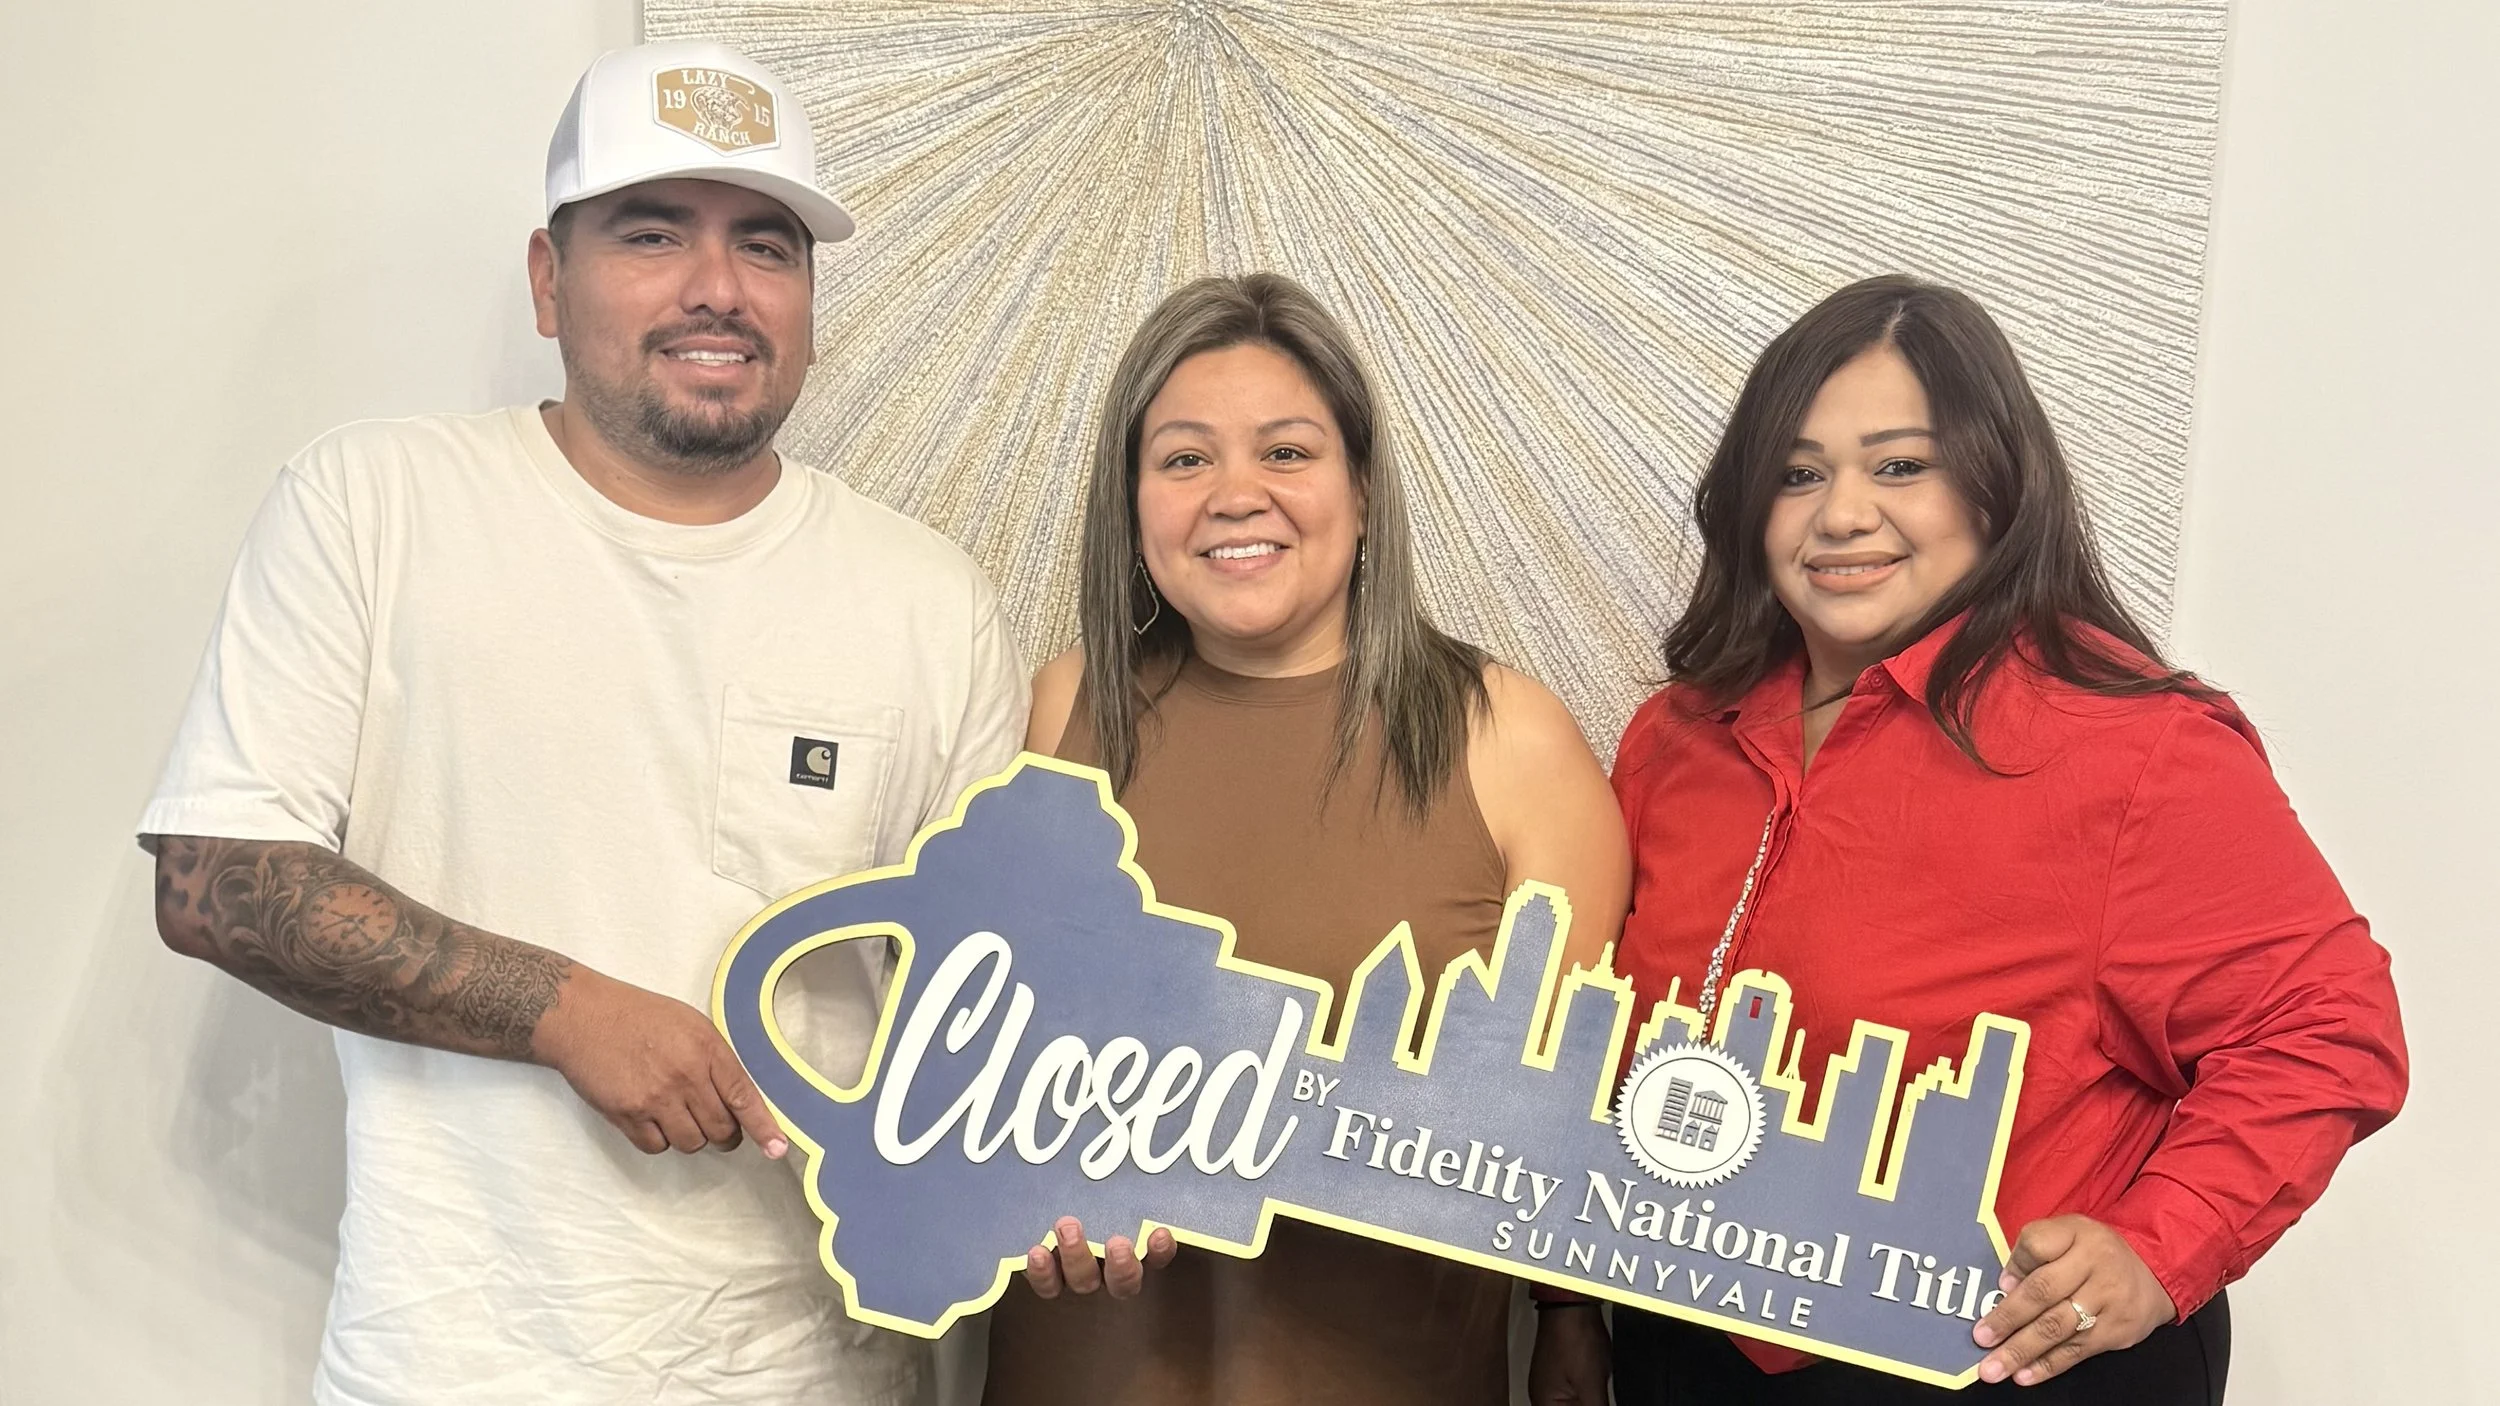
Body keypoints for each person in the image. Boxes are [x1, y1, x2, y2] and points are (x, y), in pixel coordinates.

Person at [139, 40, 1025, 1404]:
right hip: (449, 1365)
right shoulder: (373, 506)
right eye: (653, 233)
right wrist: (561, 1008)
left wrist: (1095, 1178)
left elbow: (982, 1010)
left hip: (817, 1372)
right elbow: (213, 876)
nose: (718, 287)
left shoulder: (928, 598)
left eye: (767, 246)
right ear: (551, 279)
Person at [1527, 275, 2406, 1404]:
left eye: (1900, 466)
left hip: (1991, 1360)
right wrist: (1568, 1306)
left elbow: (2328, 1028)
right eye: (1797, 473)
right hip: (1690, 1342)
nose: (1842, 514)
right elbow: (1592, 1037)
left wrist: (2157, 1248)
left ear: (1995, 485)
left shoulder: (2135, 749)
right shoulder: (1674, 740)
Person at [980, 272, 1632, 1405]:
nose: (1237, 494)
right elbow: (961, 1071)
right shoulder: (1048, 714)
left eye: (1286, 452)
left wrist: (1571, 1313)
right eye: (1185, 458)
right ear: (1131, 504)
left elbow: (1564, 1124)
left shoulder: (1512, 739)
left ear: (1364, 490)